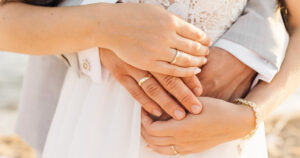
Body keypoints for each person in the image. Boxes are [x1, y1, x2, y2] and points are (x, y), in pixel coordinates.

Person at [37, 0, 289, 158]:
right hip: (101, 120)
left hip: (219, 132)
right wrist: (102, 29)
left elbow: (296, 23)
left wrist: (250, 116)